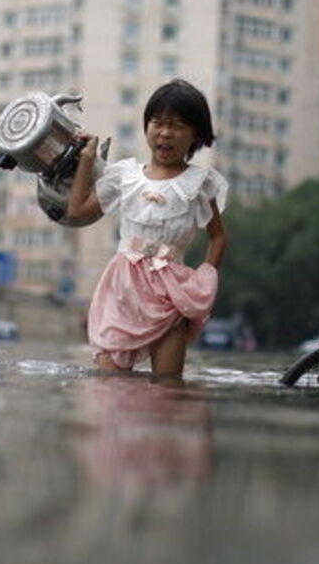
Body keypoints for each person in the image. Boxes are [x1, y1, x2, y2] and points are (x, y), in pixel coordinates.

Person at [66, 79, 228, 376]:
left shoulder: (200, 183)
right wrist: (86, 162)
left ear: (196, 135)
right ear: (146, 126)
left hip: (171, 297)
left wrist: (203, 282)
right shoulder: (124, 175)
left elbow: (217, 238)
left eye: (177, 125)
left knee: (167, 390)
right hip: (121, 293)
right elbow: (76, 211)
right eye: (158, 123)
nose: (165, 133)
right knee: (109, 385)